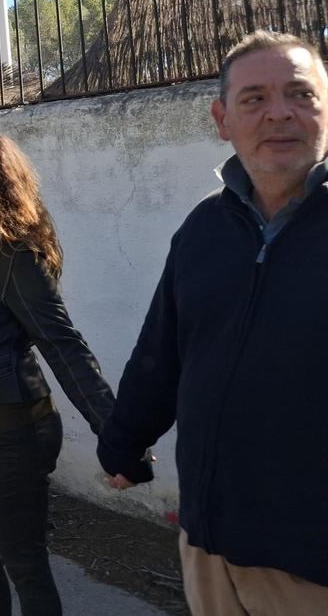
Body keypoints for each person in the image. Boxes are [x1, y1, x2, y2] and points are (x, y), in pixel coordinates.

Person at [98, 31, 328, 615]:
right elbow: (164, 351)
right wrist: (124, 444)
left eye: (300, 94)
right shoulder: (205, 227)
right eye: (254, 98)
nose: (279, 112)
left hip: (309, 563)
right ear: (222, 119)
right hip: (208, 544)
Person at [0, 133, 116, 616]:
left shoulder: (17, 259)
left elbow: (64, 346)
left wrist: (117, 433)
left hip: (16, 428)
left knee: (24, 562)